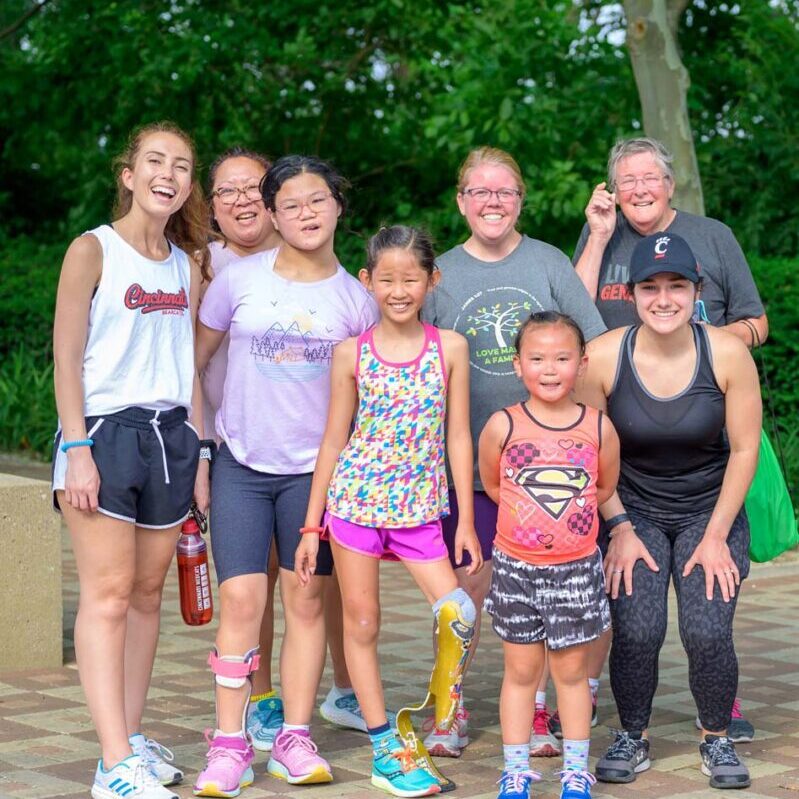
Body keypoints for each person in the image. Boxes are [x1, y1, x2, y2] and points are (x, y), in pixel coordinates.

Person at [193, 155, 378, 797]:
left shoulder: (358, 301)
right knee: (242, 601)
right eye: (291, 204)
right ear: (273, 213)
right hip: (240, 465)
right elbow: (194, 366)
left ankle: (294, 739)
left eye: (318, 200)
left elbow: (369, 400)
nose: (306, 213)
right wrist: (200, 450)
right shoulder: (235, 282)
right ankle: (229, 744)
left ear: (337, 207)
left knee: (304, 602)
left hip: (315, 476)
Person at [570, 136, 765, 744]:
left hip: (708, 484)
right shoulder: (603, 351)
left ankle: (716, 730)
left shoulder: (723, 338)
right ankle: (633, 734)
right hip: (634, 495)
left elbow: (743, 448)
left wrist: (714, 539)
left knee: (706, 630)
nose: (663, 298)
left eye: (676, 288)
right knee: (638, 627)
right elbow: (588, 444)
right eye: (649, 288)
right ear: (632, 296)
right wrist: (620, 527)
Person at [422, 146, 606, 757]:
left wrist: (583, 437)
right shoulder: (440, 274)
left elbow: (592, 351)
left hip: (551, 469)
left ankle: (540, 711)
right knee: (466, 591)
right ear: (461, 201)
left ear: (520, 200)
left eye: (504, 192)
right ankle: (449, 708)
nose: (492, 202)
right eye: (479, 191)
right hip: (469, 466)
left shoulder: (549, 263)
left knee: (551, 592)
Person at [296, 225, 483, 797]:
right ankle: (387, 749)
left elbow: (457, 436)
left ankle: (440, 710)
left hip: (421, 511)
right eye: (387, 279)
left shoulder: (449, 347)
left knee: (458, 613)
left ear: (432, 280)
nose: (399, 289)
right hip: (353, 504)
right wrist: (311, 525)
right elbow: (333, 440)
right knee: (364, 624)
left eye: (411, 278)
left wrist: (466, 521)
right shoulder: (350, 353)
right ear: (367, 281)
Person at [51, 121, 209, 799]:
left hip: (170, 436)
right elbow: (64, 356)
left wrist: (199, 449)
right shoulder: (92, 250)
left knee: (147, 596)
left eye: (179, 164)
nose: (166, 173)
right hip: (105, 435)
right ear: (129, 173)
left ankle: (131, 740)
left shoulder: (186, 263)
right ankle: (112, 763)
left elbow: (189, 369)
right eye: (154, 160)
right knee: (109, 596)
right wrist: (78, 446)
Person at [479, 311, 619, 799]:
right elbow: (496, 485)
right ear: (518, 365)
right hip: (516, 569)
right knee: (520, 673)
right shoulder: (502, 425)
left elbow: (604, 486)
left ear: (582, 364)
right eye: (537, 358)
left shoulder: (599, 427)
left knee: (571, 673)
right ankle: (516, 769)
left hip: (576, 570)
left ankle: (576, 770)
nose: (550, 369)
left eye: (562, 358)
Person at [200, 147, 287, 754]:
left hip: (300, 447)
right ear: (211, 207)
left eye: (253, 186)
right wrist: (200, 451)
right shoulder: (198, 266)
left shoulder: (303, 257)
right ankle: (258, 698)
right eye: (226, 191)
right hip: (227, 445)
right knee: (246, 585)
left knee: (306, 582)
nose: (241, 199)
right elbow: (186, 366)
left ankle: (318, 695)